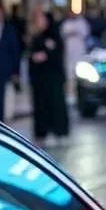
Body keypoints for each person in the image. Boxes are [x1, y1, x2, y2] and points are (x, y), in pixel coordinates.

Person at [28, 8, 69, 146]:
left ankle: (59, 131)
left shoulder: (55, 37)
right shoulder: (36, 38)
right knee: (40, 107)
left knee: (56, 105)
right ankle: (42, 133)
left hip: (53, 79)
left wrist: (47, 56)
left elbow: (58, 55)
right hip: (40, 80)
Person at [60, 8, 91, 96]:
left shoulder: (81, 22)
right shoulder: (66, 23)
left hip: (79, 49)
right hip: (69, 50)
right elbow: (63, 33)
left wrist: (75, 32)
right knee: (69, 70)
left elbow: (85, 33)